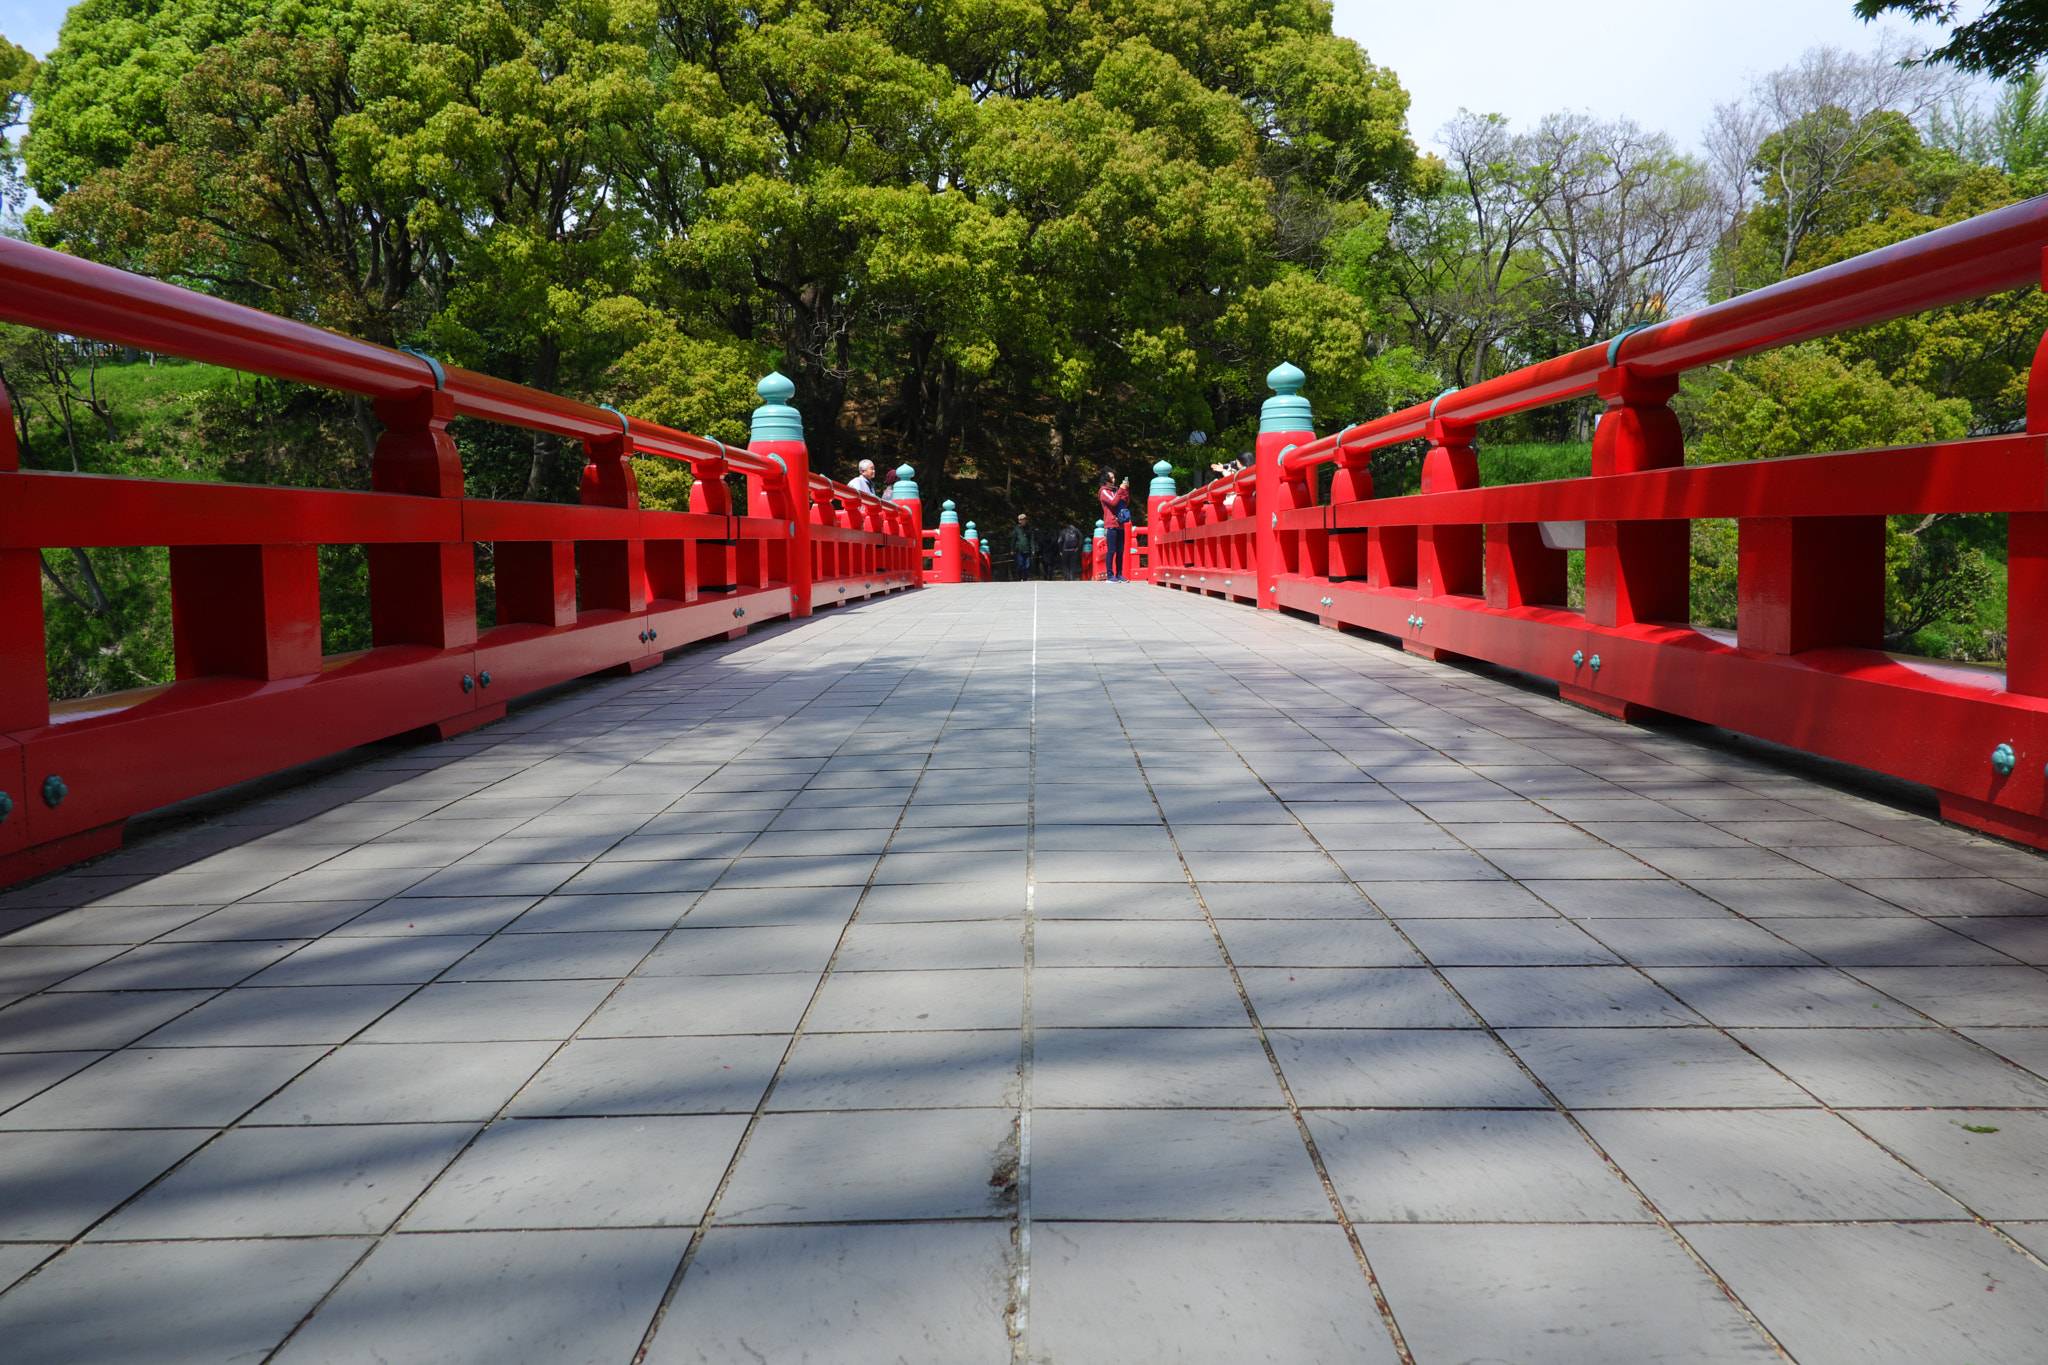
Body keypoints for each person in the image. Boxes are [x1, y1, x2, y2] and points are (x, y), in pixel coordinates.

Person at [1098, 467, 1130, 582]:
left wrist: (1125, 490)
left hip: (1120, 523)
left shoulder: (1116, 490)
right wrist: (1121, 490)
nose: (1114, 479)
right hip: (1111, 524)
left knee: (1121, 551)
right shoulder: (1103, 491)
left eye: (1114, 477)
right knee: (1111, 550)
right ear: (1105, 479)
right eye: (1111, 477)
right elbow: (1113, 502)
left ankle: (1120, 574)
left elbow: (1125, 502)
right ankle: (1110, 575)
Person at [1012, 514, 1035, 580]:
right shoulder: (1016, 529)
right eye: (1023, 519)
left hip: (1027, 549)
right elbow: (1014, 539)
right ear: (1019, 520)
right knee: (1020, 564)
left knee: (1027, 565)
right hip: (1019, 549)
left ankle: (1025, 578)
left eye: (1025, 519)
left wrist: (1033, 549)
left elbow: (1032, 539)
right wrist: (1012, 549)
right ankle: (1019, 577)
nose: (1024, 521)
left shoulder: (1029, 529)